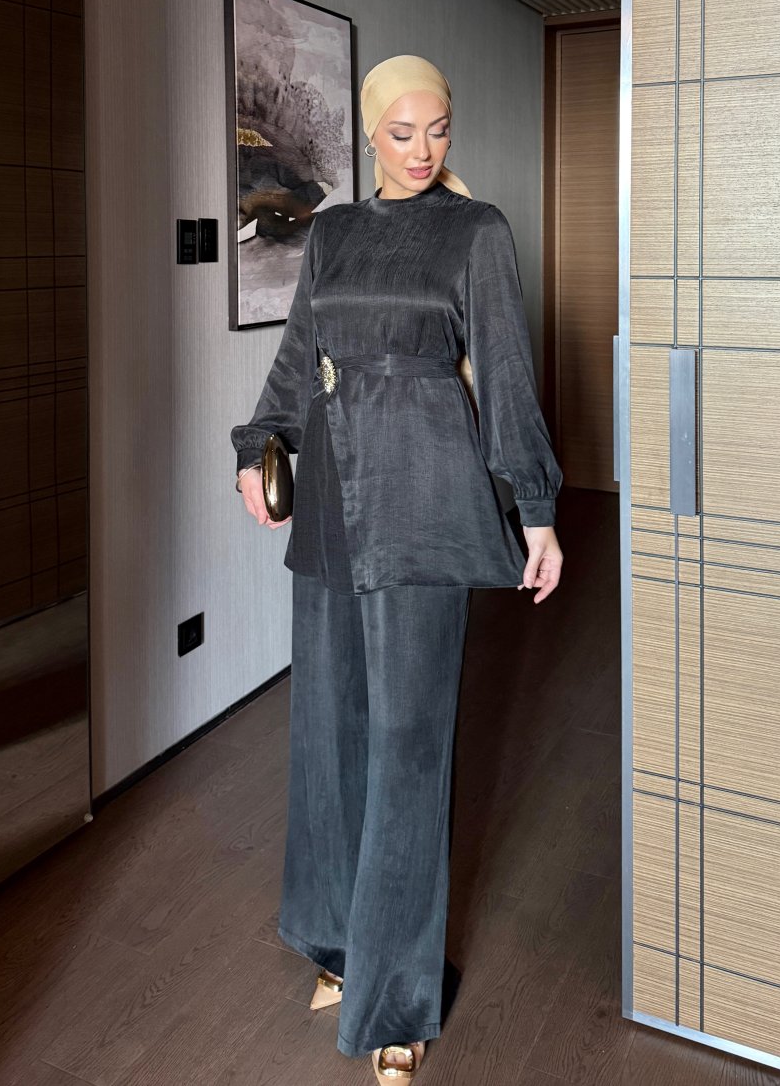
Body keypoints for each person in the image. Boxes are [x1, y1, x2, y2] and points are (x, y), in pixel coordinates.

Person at [232, 54, 563, 1081]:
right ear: (371, 133)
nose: (422, 150)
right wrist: (259, 444)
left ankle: (396, 1000)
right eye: (401, 131)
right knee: (330, 736)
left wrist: (537, 510)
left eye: (438, 130)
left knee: (409, 747)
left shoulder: (477, 231)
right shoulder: (332, 232)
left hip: (424, 500)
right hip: (334, 497)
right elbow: (299, 356)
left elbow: (504, 372)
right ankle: (340, 945)